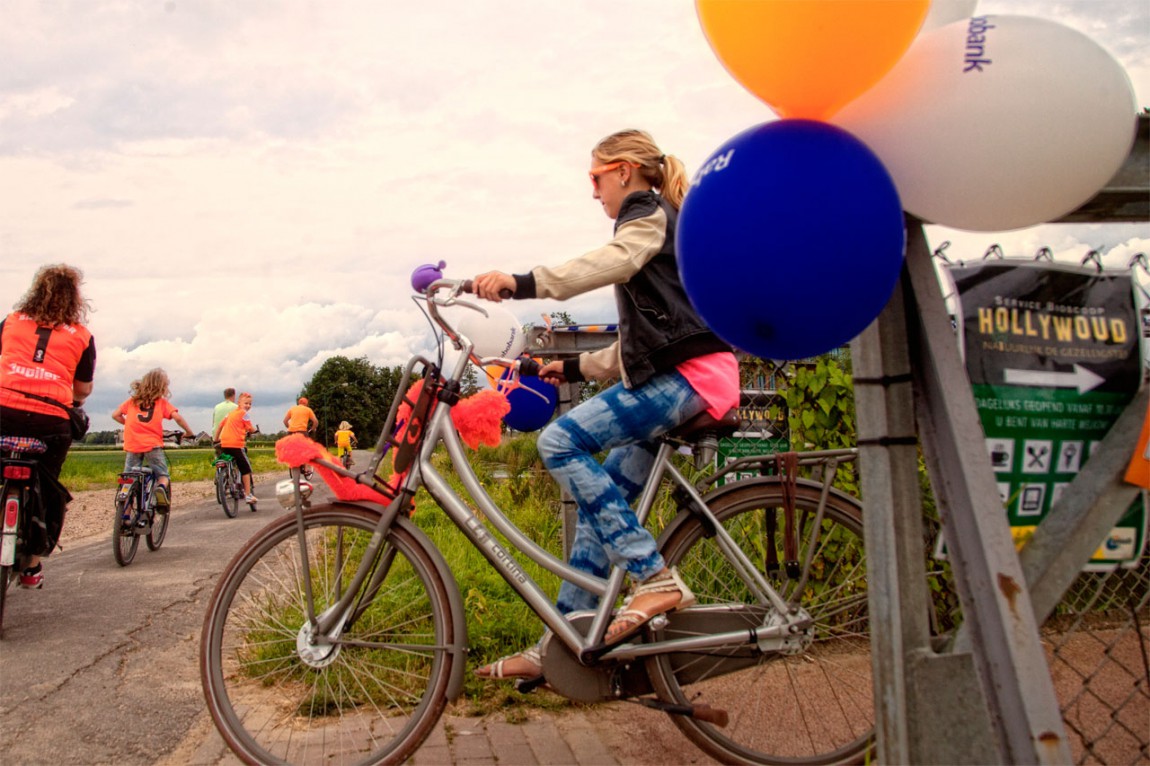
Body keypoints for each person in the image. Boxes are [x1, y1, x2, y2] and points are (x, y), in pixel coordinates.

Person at [472, 129, 740, 679]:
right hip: (682, 372)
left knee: (560, 439)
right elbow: (638, 349)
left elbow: (612, 262)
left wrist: (522, 283)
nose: (594, 192)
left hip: (690, 378)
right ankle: (567, 642)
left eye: (595, 178)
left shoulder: (647, 212)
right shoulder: (658, 225)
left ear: (624, 171)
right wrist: (570, 367)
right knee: (603, 508)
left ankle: (654, 577)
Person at [0, 264, 97, 589]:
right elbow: (81, 390)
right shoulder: (82, 336)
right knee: (47, 483)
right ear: (74, 299)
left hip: (3, 408)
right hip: (50, 419)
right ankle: (31, 563)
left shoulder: (11, 322)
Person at [111, 368, 195, 516]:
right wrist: (189, 432)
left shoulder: (132, 401)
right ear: (162, 387)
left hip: (133, 444)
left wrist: (128, 424)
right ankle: (161, 489)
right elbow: (177, 417)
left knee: (129, 477)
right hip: (152, 445)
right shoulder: (161, 403)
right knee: (163, 474)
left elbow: (115, 415)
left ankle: (124, 515)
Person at [215, 391, 258, 503]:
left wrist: (216, 439)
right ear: (239, 403)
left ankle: (230, 479)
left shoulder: (229, 414)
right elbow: (250, 428)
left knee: (231, 462)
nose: (248, 406)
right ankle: (248, 495)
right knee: (246, 469)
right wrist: (256, 430)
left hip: (224, 443)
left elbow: (220, 426)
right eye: (246, 403)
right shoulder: (244, 414)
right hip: (236, 445)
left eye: (250, 404)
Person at [211, 388, 238, 455]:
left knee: (219, 455)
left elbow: (213, 422)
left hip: (216, 438)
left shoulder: (217, 407)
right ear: (234, 395)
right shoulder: (236, 407)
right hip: (231, 439)